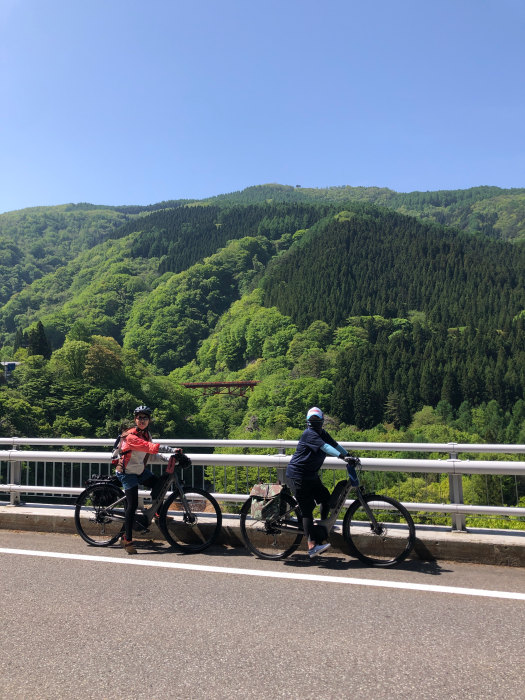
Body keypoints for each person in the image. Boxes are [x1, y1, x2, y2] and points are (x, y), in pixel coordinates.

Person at [285, 406, 359, 558]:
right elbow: (325, 447)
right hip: (298, 476)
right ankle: (312, 546)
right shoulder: (309, 434)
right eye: (313, 422)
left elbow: (334, 445)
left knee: (325, 499)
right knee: (307, 510)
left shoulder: (322, 433)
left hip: (310, 475)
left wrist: (348, 455)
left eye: (316, 421)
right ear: (308, 423)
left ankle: (322, 530)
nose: (314, 424)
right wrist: (343, 458)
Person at [115, 404, 181, 554]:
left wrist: (170, 457)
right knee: (131, 506)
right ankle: (127, 539)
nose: (142, 420)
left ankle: (158, 514)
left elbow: (152, 454)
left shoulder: (147, 434)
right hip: (127, 472)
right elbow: (150, 448)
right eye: (139, 417)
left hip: (139, 470)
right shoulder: (130, 436)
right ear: (135, 419)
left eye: (145, 418)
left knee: (159, 485)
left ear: (149, 420)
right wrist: (172, 450)